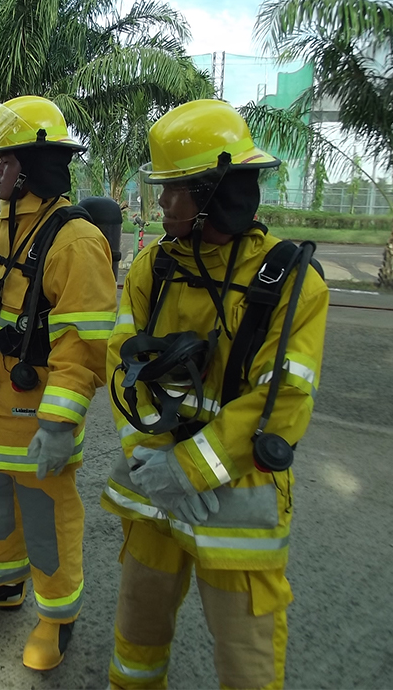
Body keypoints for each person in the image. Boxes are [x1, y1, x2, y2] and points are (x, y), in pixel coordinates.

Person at [101, 99, 329, 689]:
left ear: (213, 195)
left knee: (247, 666)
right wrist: (146, 452)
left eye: (174, 190)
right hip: (154, 493)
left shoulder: (288, 279)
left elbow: (283, 399)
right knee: (135, 645)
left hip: (237, 508)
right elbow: (120, 359)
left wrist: (192, 467)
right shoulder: (155, 267)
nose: (161, 204)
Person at [0, 96, 118, 670]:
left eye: (5, 162)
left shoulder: (75, 240)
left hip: (36, 418)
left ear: (34, 165)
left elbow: (83, 348)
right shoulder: (5, 225)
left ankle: (57, 618)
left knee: (44, 519)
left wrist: (60, 424)